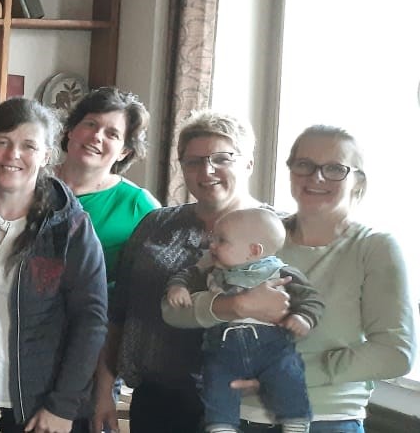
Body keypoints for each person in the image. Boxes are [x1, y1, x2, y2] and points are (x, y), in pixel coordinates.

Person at [165, 125, 414, 433]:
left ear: (358, 180)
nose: (316, 177)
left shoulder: (374, 247)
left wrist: (280, 375)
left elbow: (395, 353)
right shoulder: (256, 234)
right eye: (304, 164)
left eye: (335, 168)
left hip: (326, 421)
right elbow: (172, 311)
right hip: (233, 420)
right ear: (290, 171)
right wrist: (237, 305)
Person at [90, 110, 265, 433]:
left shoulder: (276, 232)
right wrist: (104, 393)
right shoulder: (156, 224)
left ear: (248, 164)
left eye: (222, 159)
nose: (207, 171)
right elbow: (118, 313)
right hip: (157, 400)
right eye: (193, 161)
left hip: (242, 409)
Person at [0, 98, 107, 433]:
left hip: (34, 409)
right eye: (2, 142)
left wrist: (62, 406)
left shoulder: (70, 227)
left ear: (46, 155)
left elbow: (90, 322)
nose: (13, 155)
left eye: (28, 146)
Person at [164, 208, 321, 433]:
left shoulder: (282, 273)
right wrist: (178, 287)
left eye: (221, 240)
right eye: (213, 238)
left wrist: (304, 318)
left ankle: (295, 418)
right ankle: (221, 425)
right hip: (222, 349)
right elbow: (186, 276)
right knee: (215, 381)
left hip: (272, 349)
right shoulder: (213, 273)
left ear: (254, 250)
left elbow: (311, 299)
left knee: (289, 372)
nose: (211, 245)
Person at [51, 88, 158, 291]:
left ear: (124, 151)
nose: (97, 136)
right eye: (91, 124)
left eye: (112, 134)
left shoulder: (137, 205)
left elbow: (156, 275)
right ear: (71, 130)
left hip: (96, 309)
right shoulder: (31, 182)